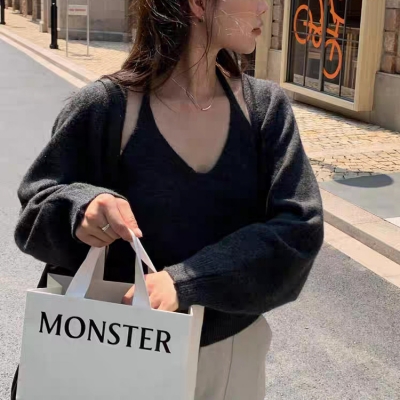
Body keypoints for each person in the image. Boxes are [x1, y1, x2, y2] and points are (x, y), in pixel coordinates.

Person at [14, 0, 324, 398]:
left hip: (227, 359)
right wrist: (82, 207)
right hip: (111, 346)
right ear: (198, 4)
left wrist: (186, 281)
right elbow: (35, 210)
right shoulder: (105, 107)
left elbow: (300, 230)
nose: (266, 6)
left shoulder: (264, 110)